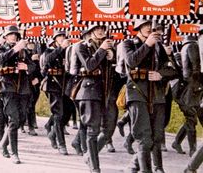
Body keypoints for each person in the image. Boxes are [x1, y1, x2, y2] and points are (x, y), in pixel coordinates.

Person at [123, 20, 178, 173]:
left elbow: (173, 70)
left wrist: (160, 74)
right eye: (145, 25)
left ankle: (142, 167)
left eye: (151, 25)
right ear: (138, 28)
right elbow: (131, 61)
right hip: (138, 93)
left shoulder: (159, 47)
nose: (149, 28)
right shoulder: (129, 43)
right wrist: (147, 44)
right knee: (144, 136)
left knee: (157, 136)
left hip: (157, 95)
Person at [74, 24, 114, 173]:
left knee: (108, 128)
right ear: (90, 32)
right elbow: (90, 65)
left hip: (105, 92)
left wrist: (112, 57)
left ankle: (89, 155)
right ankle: (95, 167)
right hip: (88, 91)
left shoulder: (109, 47)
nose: (100, 31)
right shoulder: (81, 47)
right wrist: (103, 50)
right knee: (93, 130)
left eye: (102, 28)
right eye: (96, 29)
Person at [0, 25, 35, 164]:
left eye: (15, 34)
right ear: (5, 37)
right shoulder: (1, 48)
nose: (13, 36)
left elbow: (33, 66)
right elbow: (1, 59)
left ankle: (2, 144)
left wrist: (27, 67)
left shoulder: (23, 50)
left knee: (21, 118)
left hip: (23, 88)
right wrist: (15, 49)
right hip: (8, 87)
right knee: (13, 119)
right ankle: (14, 153)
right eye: (10, 34)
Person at [172, 35, 202, 156]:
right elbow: (196, 70)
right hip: (192, 88)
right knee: (191, 118)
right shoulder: (193, 46)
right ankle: (193, 151)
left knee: (191, 117)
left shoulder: (184, 46)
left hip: (185, 88)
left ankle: (178, 142)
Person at [43, 30, 71, 155]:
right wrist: (61, 48)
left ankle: (51, 130)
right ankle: (61, 143)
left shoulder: (68, 51)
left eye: (64, 36)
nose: (62, 38)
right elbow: (47, 60)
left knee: (68, 111)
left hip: (66, 85)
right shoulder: (50, 50)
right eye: (60, 37)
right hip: (54, 85)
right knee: (58, 114)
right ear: (55, 39)